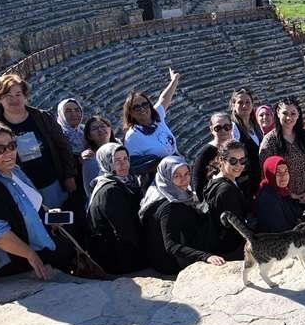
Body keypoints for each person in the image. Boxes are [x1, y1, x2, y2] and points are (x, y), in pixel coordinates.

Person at [0, 123, 74, 279]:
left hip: (45, 242)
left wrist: (49, 216)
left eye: (12, 146)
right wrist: (30, 254)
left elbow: (28, 204)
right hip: (20, 262)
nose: (9, 153)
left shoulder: (14, 169)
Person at [0, 74, 77, 210]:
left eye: (18, 94)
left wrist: (69, 175)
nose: (14, 100)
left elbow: (63, 146)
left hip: (51, 182)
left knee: (59, 220)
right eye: (8, 96)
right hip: (21, 188)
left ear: (25, 96)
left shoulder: (42, 117)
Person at [140, 156, 225, 274]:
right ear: (166, 177)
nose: (184, 180)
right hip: (171, 264)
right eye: (176, 176)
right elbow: (171, 246)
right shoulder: (170, 207)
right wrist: (206, 256)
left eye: (186, 174)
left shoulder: (164, 190)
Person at [86, 143, 145, 274]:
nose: (123, 164)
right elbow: (125, 230)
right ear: (106, 162)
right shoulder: (110, 191)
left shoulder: (118, 180)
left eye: (125, 159)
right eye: (116, 160)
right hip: (118, 257)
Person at [121, 70, 182, 182]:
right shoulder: (132, 136)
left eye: (145, 104)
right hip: (158, 180)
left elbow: (164, 99)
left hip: (178, 170)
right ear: (130, 113)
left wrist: (174, 80)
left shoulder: (157, 118)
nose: (142, 109)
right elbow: (134, 165)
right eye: (136, 107)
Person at [258, 97, 305, 205]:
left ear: (298, 114)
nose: (289, 117)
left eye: (293, 113)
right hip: (282, 199)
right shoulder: (269, 141)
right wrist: (289, 194)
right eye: (285, 113)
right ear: (277, 113)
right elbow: (266, 174)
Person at [204, 141, 251, 259]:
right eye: (233, 161)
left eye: (242, 160)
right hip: (232, 248)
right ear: (221, 160)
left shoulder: (214, 178)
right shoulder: (226, 191)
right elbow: (236, 227)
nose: (239, 165)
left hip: (221, 242)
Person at [255, 156, 304, 233]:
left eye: (286, 171)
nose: (283, 176)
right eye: (278, 173)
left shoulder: (283, 190)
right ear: (270, 174)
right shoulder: (268, 199)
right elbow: (280, 230)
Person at [229, 89, 263, 196]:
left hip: (257, 180)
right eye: (240, 102)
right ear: (233, 105)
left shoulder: (255, 126)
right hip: (244, 183)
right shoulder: (233, 128)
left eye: (248, 102)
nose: (244, 106)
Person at [192, 112, 234, 199]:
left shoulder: (236, 147)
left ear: (231, 127)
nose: (223, 130)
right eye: (218, 128)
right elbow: (198, 182)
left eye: (227, 127)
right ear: (211, 130)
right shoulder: (206, 152)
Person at [80, 116, 119, 198]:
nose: (100, 130)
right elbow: (90, 191)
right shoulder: (90, 159)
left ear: (109, 129)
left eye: (103, 126)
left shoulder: (119, 145)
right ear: (89, 136)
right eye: (94, 128)